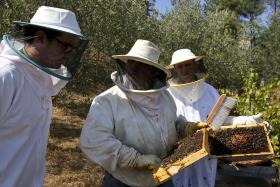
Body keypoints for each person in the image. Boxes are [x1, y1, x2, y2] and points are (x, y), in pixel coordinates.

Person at [0, 6, 88, 187]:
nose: (70, 55)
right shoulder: (6, 76)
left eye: (74, 49)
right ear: (40, 38)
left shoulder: (41, 77)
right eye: (66, 46)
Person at [80, 39, 178, 187]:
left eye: (142, 64)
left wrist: (183, 126)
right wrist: (135, 159)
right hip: (123, 181)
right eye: (132, 62)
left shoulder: (165, 97)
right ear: (125, 64)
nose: (135, 68)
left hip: (163, 176)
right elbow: (94, 139)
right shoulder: (107, 100)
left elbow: (171, 121)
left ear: (153, 71)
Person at [167, 49, 267, 187]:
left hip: (206, 155)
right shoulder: (168, 94)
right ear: (174, 69)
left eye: (187, 65)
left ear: (195, 64)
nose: (184, 69)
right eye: (180, 66)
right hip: (179, 156)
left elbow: (220, 120)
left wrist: (244, 121)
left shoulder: (209, 91)